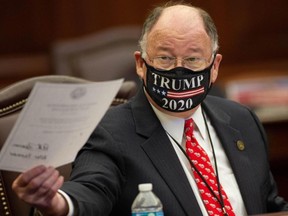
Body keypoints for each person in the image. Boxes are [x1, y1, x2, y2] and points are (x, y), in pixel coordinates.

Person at [12, 2, 288, 216]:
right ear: (141, 64)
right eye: (165, 58)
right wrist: (57, 203)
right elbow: (90, 191)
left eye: (193, 59)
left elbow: (269, 206)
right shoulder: (110, 133)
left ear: (214, 67)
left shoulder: (242, 120)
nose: (179, 69)